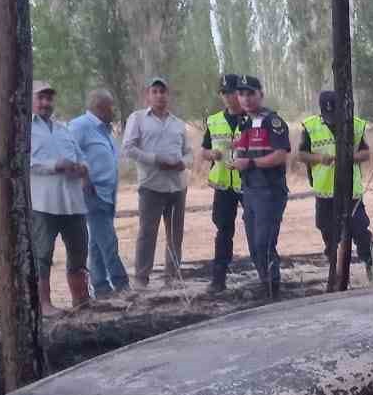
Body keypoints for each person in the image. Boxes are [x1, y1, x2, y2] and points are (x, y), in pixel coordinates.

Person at [298, 91, 373, 280]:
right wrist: (319, 158)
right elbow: (301, 155)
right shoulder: (310, 126)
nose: (332, 120)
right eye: (328, 116)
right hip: (325, 191)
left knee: (360, 231)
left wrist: (349, 158)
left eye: (335, 115)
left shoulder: (355, 125)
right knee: (328, 233)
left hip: (351, 191)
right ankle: (335, 273)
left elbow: (366, 153)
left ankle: (371, 268)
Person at [121, 76, 191, 289]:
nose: (160, 96)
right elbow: (128, 148)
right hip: (151, 186)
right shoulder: (138, 118)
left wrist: (182, 163)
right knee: (147, 233)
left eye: (163, 92)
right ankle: (141, 278)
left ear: (168, 95)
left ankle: (173, 277)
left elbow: (188, 152)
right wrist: (155, 159)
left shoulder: (178, 123)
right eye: (155, 91)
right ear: (148, 96)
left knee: (175, 234)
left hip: (177, 186)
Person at [29, 80, 90, 316]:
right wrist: (55, 165)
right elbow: (25, 162)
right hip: (44, 203)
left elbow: (80, 155)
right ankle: (44, 305)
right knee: (42, 255)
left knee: (79, 252)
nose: (46, 103)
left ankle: (81, 301)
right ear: (30, 100)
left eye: (49, 98)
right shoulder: (24, 129)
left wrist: (83, 167)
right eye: (41, 98)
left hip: (73, 201)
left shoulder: (63, 129)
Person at [230, 75, 291, 299]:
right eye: (241, 94)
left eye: (250, 94)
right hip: (250, 190)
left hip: (270, 191)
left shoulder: (273, 122)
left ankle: (273, 288)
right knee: (254, 246)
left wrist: (251, 163)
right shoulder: (244, 123)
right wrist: (236, 156)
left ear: (260, 95)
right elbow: (244, 150)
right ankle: (266, 285)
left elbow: (280, 155)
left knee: (264, 243)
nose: (245, 99)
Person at [69, 88, 129, 299]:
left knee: (96, 242)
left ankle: (101, 287)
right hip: (92, 192)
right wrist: (83, 178)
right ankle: (122, 284)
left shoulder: (104, 129)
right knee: (108, 240)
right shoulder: (80, 126)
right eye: (111, 106)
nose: (114, 110)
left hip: (107, 192)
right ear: (100, 106)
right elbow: (70, 152)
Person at [200, 72, 244, 295]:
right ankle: (218, 278)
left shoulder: (252, 118)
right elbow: (203, 150)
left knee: (256, 229)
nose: (228, 97)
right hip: (224, 185)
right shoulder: (214, 120)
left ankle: (266, 275)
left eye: (232, 92)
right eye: (224, 93)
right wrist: (211, 154)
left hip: (247, 183)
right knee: (223, 231)